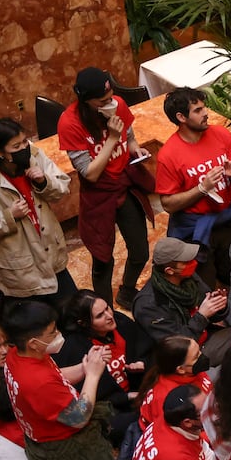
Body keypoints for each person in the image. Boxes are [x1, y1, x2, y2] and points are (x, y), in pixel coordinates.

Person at [0, 301, 126, 460]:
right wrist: (93, 376)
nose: (58, 335)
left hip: (42, 432)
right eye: (51, 332)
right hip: (63, 450)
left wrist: (84, 368)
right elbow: (78, 417)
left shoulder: (17, 355)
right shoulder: (37, 382)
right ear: (33, 342)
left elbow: (56, 377)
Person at [57, 67, 151, 308]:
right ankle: (104, 309)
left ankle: (127, 290)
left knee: (140, 250)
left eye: (111, 98)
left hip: (124, 185)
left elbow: (129, 138)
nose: (110, 104)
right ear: (86, 101)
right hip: (98, 194)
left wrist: (135, 149)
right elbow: (90, 173)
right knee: (103, 258)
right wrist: (111, 137)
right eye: (103, 101)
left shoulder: (119, 104)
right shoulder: (69, 123)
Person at [0, 117, 74, 305]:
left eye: (25, 141)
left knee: (72, 311)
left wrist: (43, 182)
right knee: (40, 325)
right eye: (16, 146)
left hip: (51, 256)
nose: (24, 148)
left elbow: (62, 188)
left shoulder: (34, 156)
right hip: (20, 272)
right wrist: (8, 215)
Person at [153, 88, 231, 282]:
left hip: (229, 215)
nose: (206, 113)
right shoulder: (169, 155)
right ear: (181, 117)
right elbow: (168, 204)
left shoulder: (221, 134)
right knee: (204, 282)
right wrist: (201, 189)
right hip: (194, 226)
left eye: (204, 108)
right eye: (198, 110)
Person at [56, 289, 144, 449]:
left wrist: (142, 365)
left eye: (107, 308)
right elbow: (87, 400)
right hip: (111, 407)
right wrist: (128, 397)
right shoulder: (75, 348)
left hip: (137, 390)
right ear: (83, 323)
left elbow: (147, 349)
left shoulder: (121, 322)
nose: (110, 316)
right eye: (100, 315)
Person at [131, 237, 231, 365]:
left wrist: (218, 304)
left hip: (204, 336)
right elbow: (178, 346)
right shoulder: (148, 304)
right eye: (186, 262)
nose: (193, 263)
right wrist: (202, 316)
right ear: (170, 271)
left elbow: (214, 316)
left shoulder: (188, 278)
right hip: (183, 359)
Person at [135, 334, 210, 430]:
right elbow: (179, 435)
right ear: (180, 369)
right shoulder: (167, 399)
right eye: (196, 357)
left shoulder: (193, 371)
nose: (202, 356)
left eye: (199, 351)